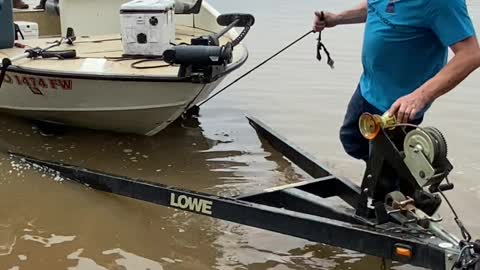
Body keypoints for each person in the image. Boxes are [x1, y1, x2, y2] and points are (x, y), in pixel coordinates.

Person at [313, 0, 480, 162]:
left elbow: (470, 55)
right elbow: (375, 5)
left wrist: (419, 97)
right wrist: (337, 18)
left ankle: (395, 186)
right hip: (368, 88)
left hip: (400, 108)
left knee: (390, 171)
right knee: (353, 142)